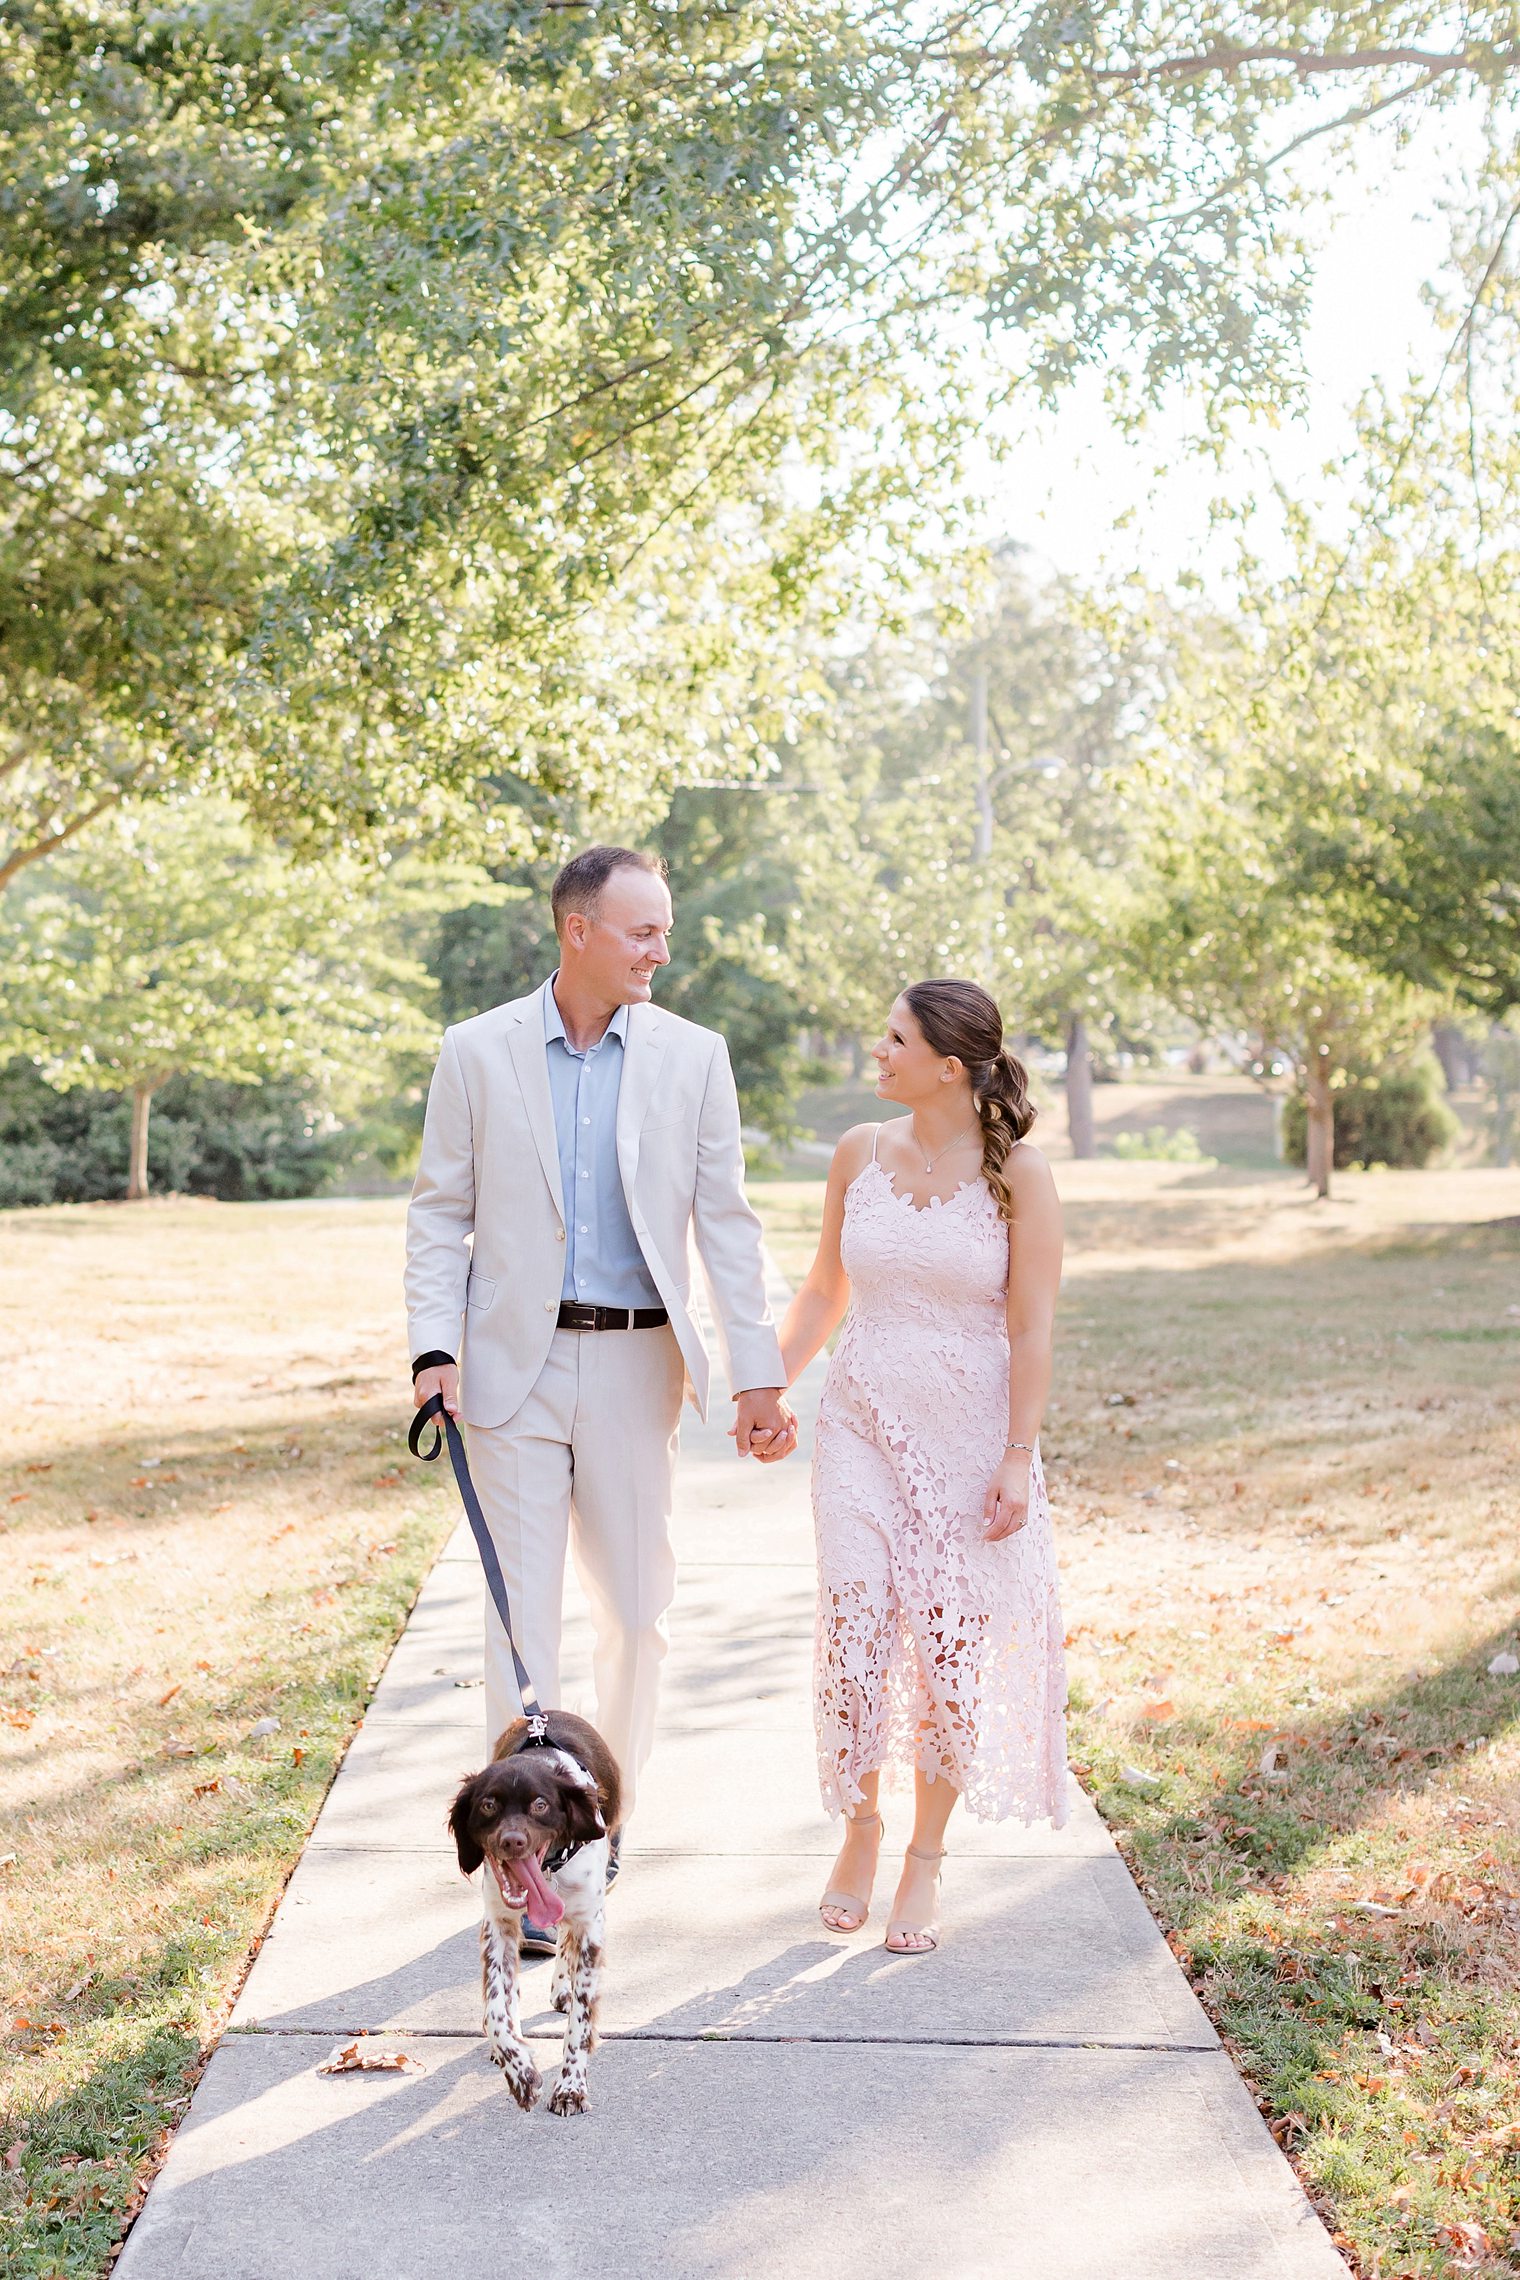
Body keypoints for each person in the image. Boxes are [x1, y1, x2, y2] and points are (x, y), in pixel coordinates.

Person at [406, 845, 796, 1949]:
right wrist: (432, 1349)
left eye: (663, 930)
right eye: (641, 931)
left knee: (635, 1613)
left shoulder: (693, 1057)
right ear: (576, 929)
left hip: (635, 1367)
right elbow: (439, 1212)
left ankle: (596, 1835)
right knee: (518, 1627)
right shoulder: (475, 1051)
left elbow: (726, 1222)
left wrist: (757, 1372)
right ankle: (517, 1871)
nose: (660, 950)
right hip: (506, 1376)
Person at [777, 978, 1067, 1954]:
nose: (875, 1051)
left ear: (947, 1065)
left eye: (892, 1038)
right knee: (853, 1639)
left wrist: (1016, 1458)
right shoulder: (857, 1152)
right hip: (858, 1424)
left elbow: (1028, 1328)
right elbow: (823, 1291)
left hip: (967, 1440)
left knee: (947, 1656)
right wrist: (765, 1386)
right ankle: (859, 1830)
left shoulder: (1017, 1174)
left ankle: (923, 1858)